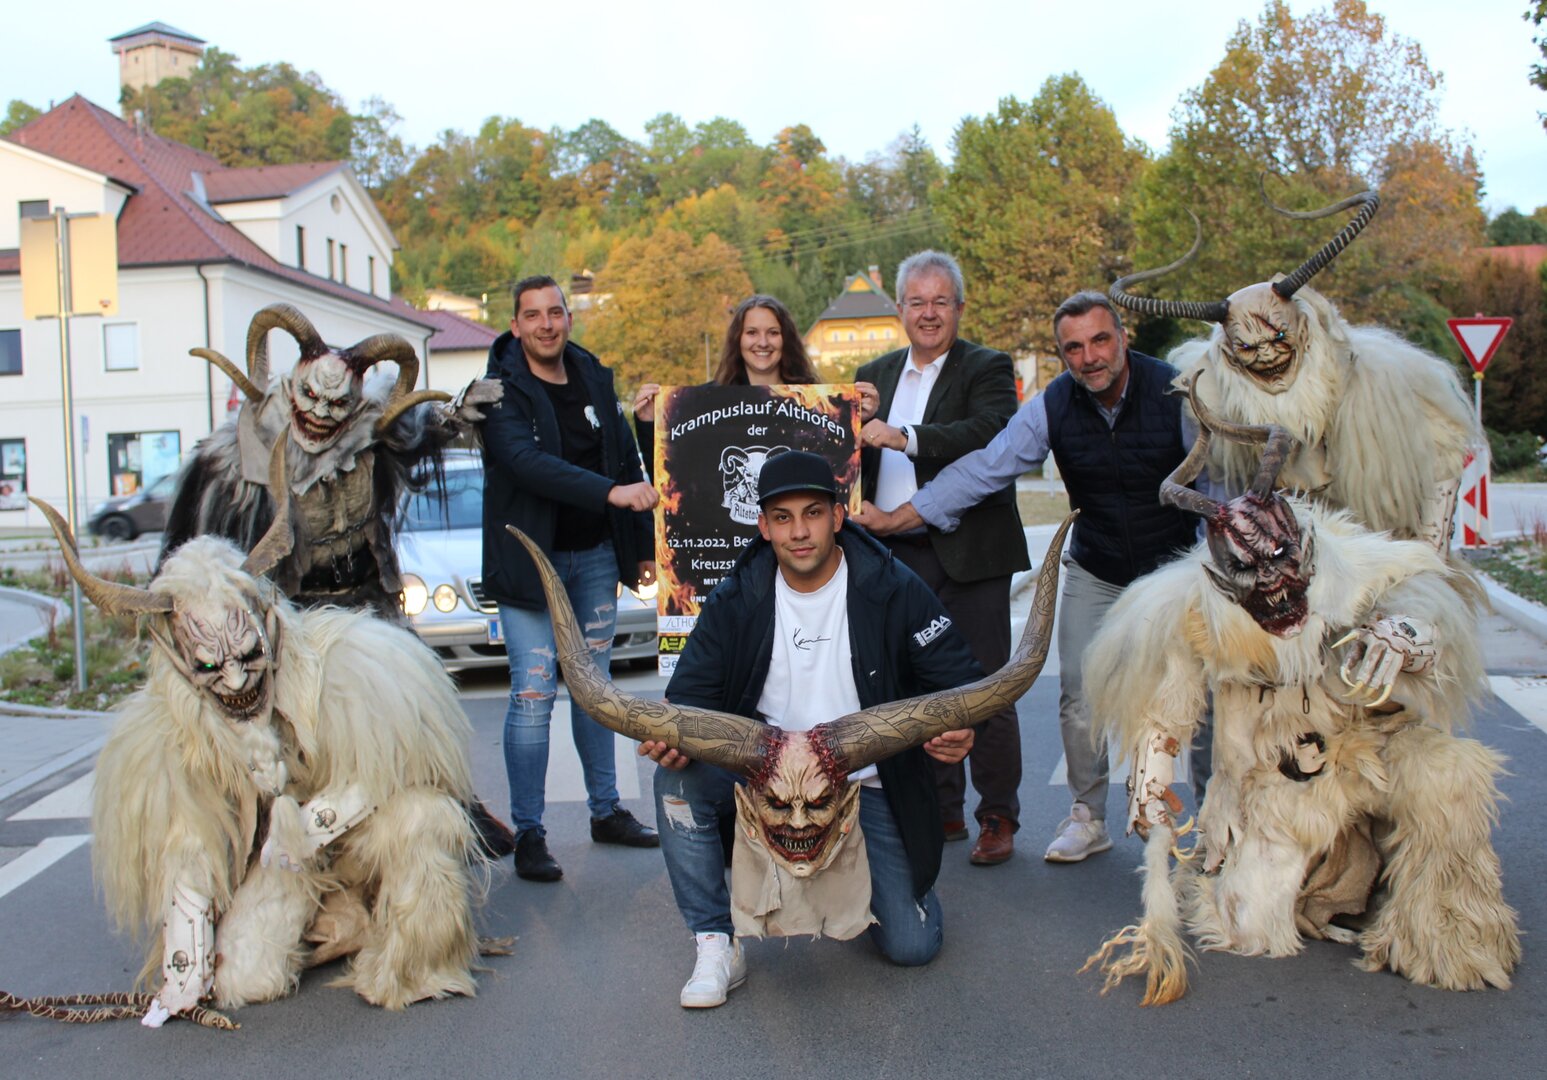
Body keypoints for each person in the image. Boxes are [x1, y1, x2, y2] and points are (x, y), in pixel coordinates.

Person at [855, 290, 1197, 862]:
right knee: (1079, 691)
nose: (1089, 357)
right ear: (1063, 356)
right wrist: (896, 520)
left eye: (1100, 341)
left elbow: (1217, 483)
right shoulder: (1053, 404)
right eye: (1073, 348)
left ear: (1122, 337)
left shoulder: (1180, 393)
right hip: (1099, 564)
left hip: (1180, 566)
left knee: (1204, 697)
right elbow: (987, 468)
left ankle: (1216, 819)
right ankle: (1088, 817)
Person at [640, 450, 980, 1008]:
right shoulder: (736, 596)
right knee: (677, 784)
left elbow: (960, 681)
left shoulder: (893, 585)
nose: (799, 532)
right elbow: (690, 697)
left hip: (866, 780)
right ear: (763, 525)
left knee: (913, 946)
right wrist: (674, 733)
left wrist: (963, 727)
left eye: (813, 513)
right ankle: (715, 942)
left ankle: (865, 886)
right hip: (765, 778)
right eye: (783, 517)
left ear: (838, 516)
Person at [482, 274, 661, 882]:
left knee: (596, 689)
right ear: (515, 325)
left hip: (595, 559)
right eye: (532, 315)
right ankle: (530, 833)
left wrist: (637, 548)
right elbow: (527, 465)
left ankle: (607, 811)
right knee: (533, 695)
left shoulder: (591, 374)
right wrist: (612, 492)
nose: (546, 325)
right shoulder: (498, 392)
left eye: (555, 313)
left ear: (568, 318)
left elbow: (623, 459)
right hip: (532, 566)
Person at [851, 250, 1027, 866]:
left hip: (970, 555)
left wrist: (904, 436)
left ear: (959, 307)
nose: (928, 313)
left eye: (940, 301)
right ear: (899, 308)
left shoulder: (987, 366)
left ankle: (997, 814)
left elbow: (989, 435)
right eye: (916, 302)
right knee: (915, 689)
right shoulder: (871, 374)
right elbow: (838, 453)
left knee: (985, 686)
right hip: (891, 554)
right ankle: (942, 806)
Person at [631, 294, 817, 477]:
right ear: (738, 339)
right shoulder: (704, 404)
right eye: (752, 332)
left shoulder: (816, 402)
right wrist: (649, 424)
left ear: (786, 339)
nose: (763, 342)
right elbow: (671, 478)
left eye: (773, 333)